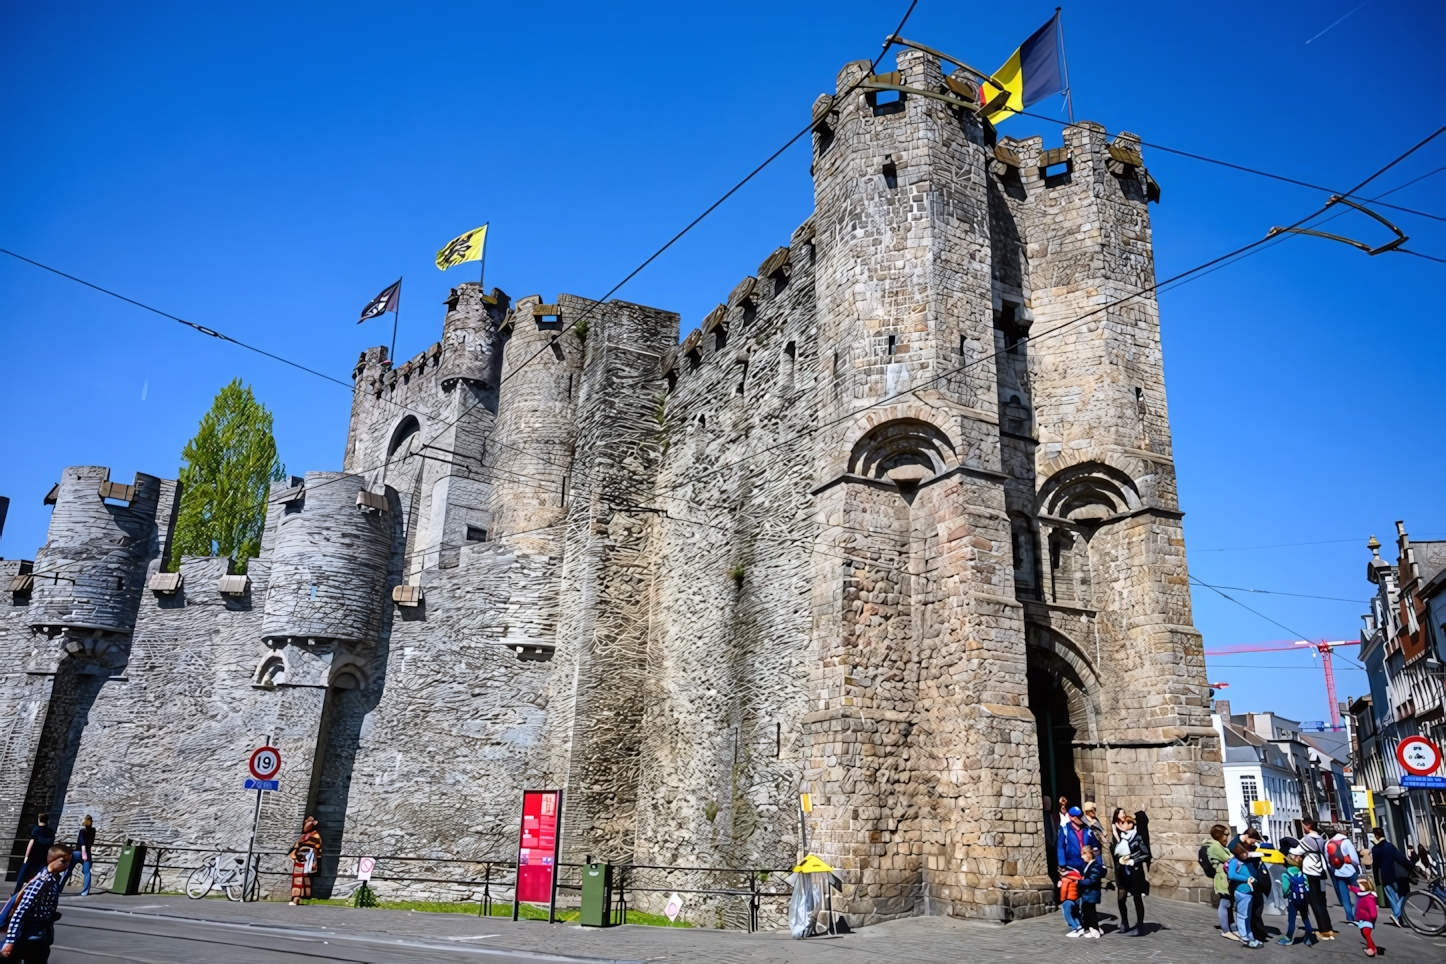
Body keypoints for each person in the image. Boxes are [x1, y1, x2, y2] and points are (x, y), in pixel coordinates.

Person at [2, 844, 69, 962]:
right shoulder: (42, 881)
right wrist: (10, 941)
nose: (66, 865)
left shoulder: (52, 879)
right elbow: (20, 912)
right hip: (30, 936)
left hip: (39, 935)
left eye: (68, 861)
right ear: (52, 861)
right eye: (63, 861)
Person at [1111, 811, 1150, 935]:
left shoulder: (1138, 837)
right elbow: (1117, 853)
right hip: (1122, 872)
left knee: (1137, 898)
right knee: (1121, 898)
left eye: (1124, 823)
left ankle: (1140, 925)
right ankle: (1124, 922)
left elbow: (1146, 854)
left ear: (1130, 824)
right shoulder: (1122, 837)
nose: (1121, 825)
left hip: (1134, 872)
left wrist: (1134, 860)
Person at [1299, 819, 1337, 939]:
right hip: (1321, 871)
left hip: (1310, 871)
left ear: (1308, 826)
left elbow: (1296, 851)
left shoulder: (1307, 839)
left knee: (1314, 901)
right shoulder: (1321, 838)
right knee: (1322, 900)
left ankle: (1323, 930)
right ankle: (1328, 927)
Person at [1369, 826, 1412, 925]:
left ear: (1376, 836)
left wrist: (1376, 879)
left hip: (1385, 875)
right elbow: (1400, 858)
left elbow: (1375, 866)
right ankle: (1398, 917)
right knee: (1403, 894)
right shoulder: (1389, 846)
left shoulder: (1375, 849)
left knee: (1391, 897)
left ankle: (1397, 915)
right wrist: (1410, 867)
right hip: (1396, 875)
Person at [1203, 824, 1237, 941]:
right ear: (1219, 835)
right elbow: (1230, 858)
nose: (1227, 838)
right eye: (1225, 835)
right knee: (1225, 903)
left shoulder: (1219, 846)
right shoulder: (1215, 847)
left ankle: (1230, 927)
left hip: (1225, 877)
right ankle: (1226, 930)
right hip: (1222, 878)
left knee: (1228, 903)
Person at [1227, 842, 1264, 948]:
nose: (1247, 854)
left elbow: (1259, 855)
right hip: (1242, 891)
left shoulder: (1244, 859)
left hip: (1248, 892)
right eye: (1244, 852)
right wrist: (1246, 879)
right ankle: (1245, 938)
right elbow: (1231, 874)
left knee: (1247, 916)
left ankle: (1250, 936)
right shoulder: (1235, 861)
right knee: (1243, 915)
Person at [1278, 847, 1317, 946]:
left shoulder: (1286, 874)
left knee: (1292, 919)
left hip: (1293, 899)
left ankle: (1289, 938)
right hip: (1303, 899)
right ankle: (1308, 937)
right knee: (1305, 918)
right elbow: (1307, 887)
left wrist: (1285, 895)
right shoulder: (1302, 874)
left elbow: (1286, 889)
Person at [11, 817, 55, 895]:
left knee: (23, 874)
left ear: (38, 820)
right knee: (41, 875)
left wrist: (26, 856)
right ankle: (39, 893)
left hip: (33, 855)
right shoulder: (51, 831)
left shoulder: (36, 830)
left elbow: (31, 843)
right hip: (44, 856)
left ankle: (16, 893)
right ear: (48, 820)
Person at [1327, 826, 1362, 923]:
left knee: (1344, 896)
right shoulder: (1346, 841)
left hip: (1338, 872)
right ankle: (1359, 915)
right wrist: (1356, 866)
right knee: (1358, 893)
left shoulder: (1328, 843)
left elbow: (1328, 859)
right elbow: (1354, 858)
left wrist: (1334, 869)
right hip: (1350, 870)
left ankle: (1350, 918)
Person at [287, 816, 322, 906]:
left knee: (303, 878)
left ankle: (299, 897)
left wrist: (305, 849)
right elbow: (297, 845)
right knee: (298, 878)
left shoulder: (315, 835)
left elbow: (317, 846)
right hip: (299, 859)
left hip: (307, 859)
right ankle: (296, 896)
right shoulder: (303, 836)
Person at [1076, 843, 1106, 939]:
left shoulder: (1095, 865)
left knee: (1090, 911)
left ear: (1088, 854)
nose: (1082, 857)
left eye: (1083, 854)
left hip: (1091, 893)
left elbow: (1092, 880)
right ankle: (1091, 928)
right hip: (1088, 893)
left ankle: (1095, 929)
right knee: (1087, 910)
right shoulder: (1088, 865)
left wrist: (1080, 882)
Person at [59, 817, 95, 897]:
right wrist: (86, 853)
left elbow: (82, 842)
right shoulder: (93, 831)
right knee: (87, 873)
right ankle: (85, 891)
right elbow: (90, 842)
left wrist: (83, 852)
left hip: (77, 853)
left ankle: (59, 888)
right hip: (87, 853)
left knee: (68, 871)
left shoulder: (82, 831)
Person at [1056, 806, 1097, 875]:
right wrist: (1062, 864)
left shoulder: (1087, 829)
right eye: (1078, 817)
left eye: (1082, 815)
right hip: (1071, 865)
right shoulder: (1065, 829)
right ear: (1071, 817)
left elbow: (1095, 845)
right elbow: (1061, 847)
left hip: (1087, 864)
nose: (1081, 818)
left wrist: (1097, 860)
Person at [1351, 877, 1379, 957]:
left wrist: (1372, 919)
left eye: (1361, 884)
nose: (1359, 886)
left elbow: (1373, 912)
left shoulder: (1369, 898)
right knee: (1365, 934)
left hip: (1368, 919)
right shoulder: (1361, 893)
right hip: (1361, 919)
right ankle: (1373, 947)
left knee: (1366, 933)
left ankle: (1371, 949)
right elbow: (1356, 890)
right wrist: (1350, 887)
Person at [1042, 796, 1060, 889]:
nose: (1049, 804)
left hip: (1054, 847)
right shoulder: (1042, 817)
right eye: (1047, 802)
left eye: (1050, 802)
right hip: (1047, 847)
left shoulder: (1052, 816)